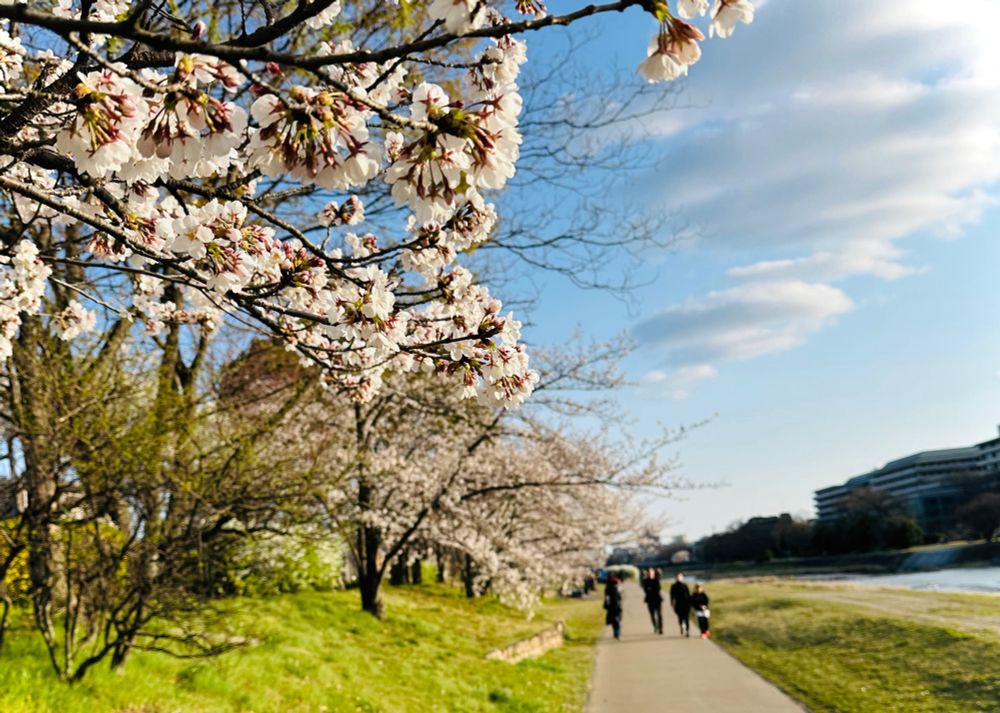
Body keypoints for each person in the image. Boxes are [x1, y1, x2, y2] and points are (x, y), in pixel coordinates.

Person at [641, 567, 663, 634]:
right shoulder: (646, 581)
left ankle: (660, 628)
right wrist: (643, 574)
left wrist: (659, 572)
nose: (650, 573)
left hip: (657, 599)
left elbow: (659, 576)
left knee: (659, 614)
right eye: (649, 572)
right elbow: (645, 589)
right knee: (652, 615)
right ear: (647, 573)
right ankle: (655, 626)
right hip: (650, 600)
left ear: (654, 572)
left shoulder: (657, 579)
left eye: (652, 572)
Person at [669, 572, 691, 637]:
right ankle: (681, 626)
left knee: (686, 618)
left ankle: (687, 631)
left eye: (680, 576)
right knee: (680, 618)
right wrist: (672, 603)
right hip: (678, 604)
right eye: (678, 576)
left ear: (682, 578)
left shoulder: (685, 585)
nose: (679, 578)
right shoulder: (673, 586)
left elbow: (688, 595)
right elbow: (672, 596)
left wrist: (690, 603)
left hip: (686, 604)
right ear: (676, 578)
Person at [603, 575, 624, 640]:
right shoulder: (615, 588)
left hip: (611, 606)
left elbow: (607, 598)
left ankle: (616, 633)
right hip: (616, 606)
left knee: (614, 620)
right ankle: (617, 633)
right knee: (617, 620)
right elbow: (619, 598)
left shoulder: (607, 588)